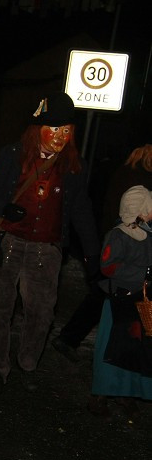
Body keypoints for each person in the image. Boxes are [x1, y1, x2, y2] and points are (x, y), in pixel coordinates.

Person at [0, 91, 99, 397]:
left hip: (47, 250)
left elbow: (81, 209)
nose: (60, 136)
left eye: (66, 130)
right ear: (37, 129)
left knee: (41, 313)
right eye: (53, 129)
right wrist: (4, 207)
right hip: (8, 244)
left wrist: (94, 253)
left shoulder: (74, 166)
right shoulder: (13, 154)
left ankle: (28, 362)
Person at [52, 144, 152, 363]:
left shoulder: (125, 172)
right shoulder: (140, 180)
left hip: (114, 238)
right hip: (126, 244)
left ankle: (71, 338)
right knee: (108, 296)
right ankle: (112, 354)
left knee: (103, 294)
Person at [88, 185, 152, 417]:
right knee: (111, 349)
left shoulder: (148, 235)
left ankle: (126, 393)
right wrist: (143, 274)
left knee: (135, 349)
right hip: (119, 303)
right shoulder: (118, 235)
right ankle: (101, 394)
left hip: (142, 303)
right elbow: (108, 267)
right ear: (141, 209)